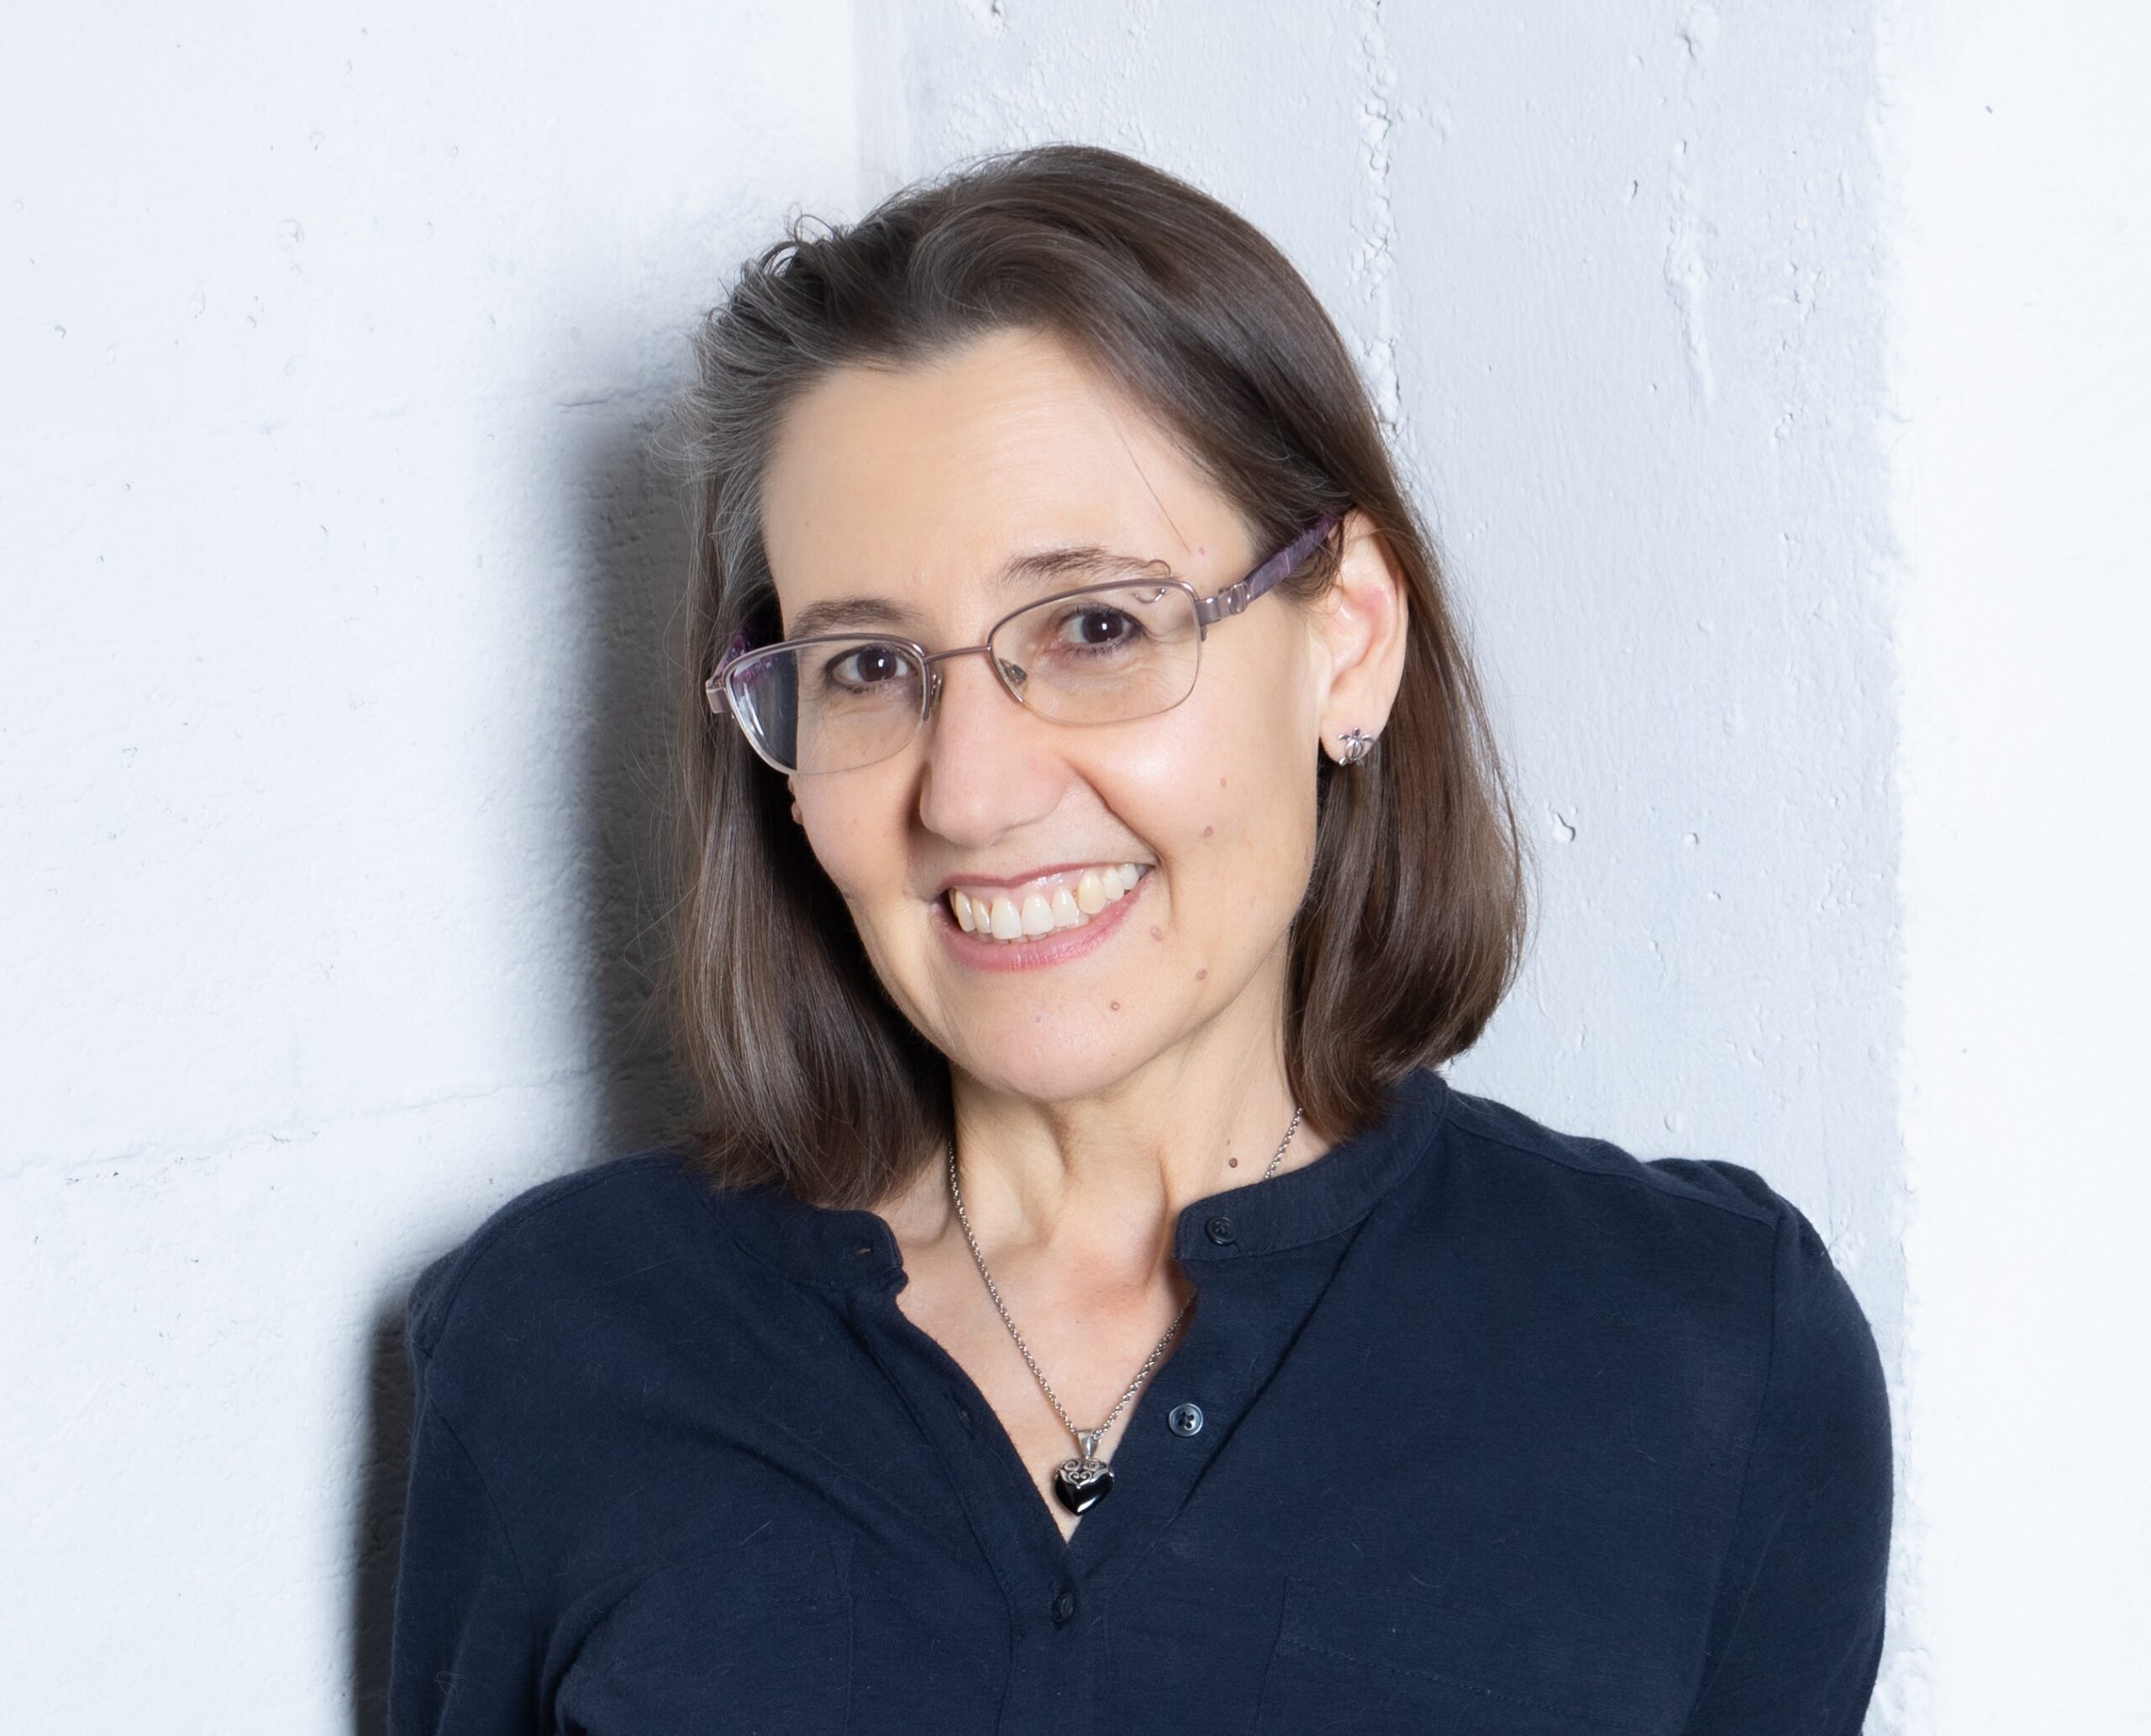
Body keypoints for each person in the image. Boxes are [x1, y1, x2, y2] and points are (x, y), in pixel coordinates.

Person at [387, 143, 1891, 1735]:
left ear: (1347, 641)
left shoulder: (1708, 1348)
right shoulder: (566, 1341)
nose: (970, 793)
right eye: (867, 667)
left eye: (1096, 626)